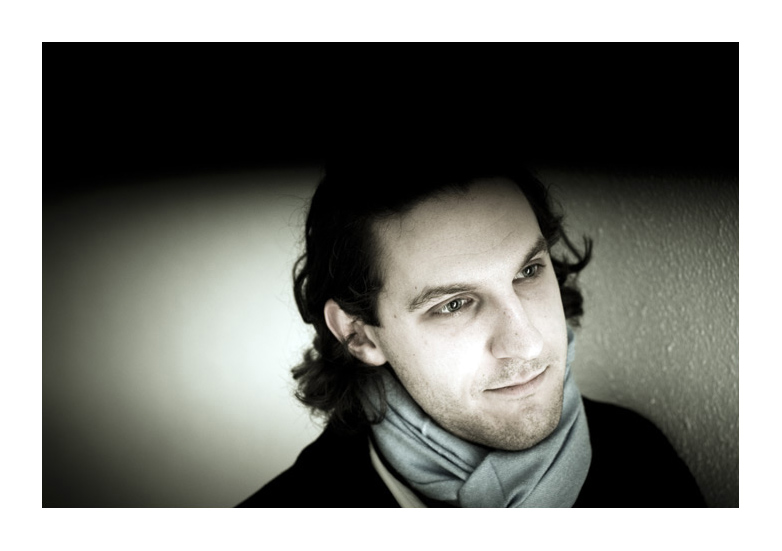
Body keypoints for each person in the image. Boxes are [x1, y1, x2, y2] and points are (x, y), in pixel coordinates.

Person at [238, 156, 705, 508]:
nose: (528, 343)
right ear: (359, 335)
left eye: (528, 272)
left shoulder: (640, 459)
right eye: (454, 304)